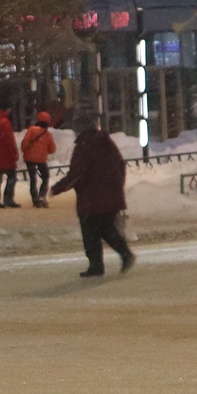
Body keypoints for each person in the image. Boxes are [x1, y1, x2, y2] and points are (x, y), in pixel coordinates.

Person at [59, 112, 135, 278]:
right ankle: (124, 253)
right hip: (109, 196)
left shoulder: (84, 146)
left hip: (90, 199)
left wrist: (59, 187)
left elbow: (77, 173)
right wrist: (115, 187)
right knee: (107, 229)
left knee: (90, 233)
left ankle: (96, 265)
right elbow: (119, 165)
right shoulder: (106, 142)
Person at [20, 112, 57, 207]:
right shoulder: (47, 134)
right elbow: (52, 149)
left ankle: (35, 198)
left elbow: (24, 143)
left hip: (29, 158)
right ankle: (42, 195)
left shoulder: (31, 130)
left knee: (33, 178)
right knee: (45, 176)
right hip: (41, 159)